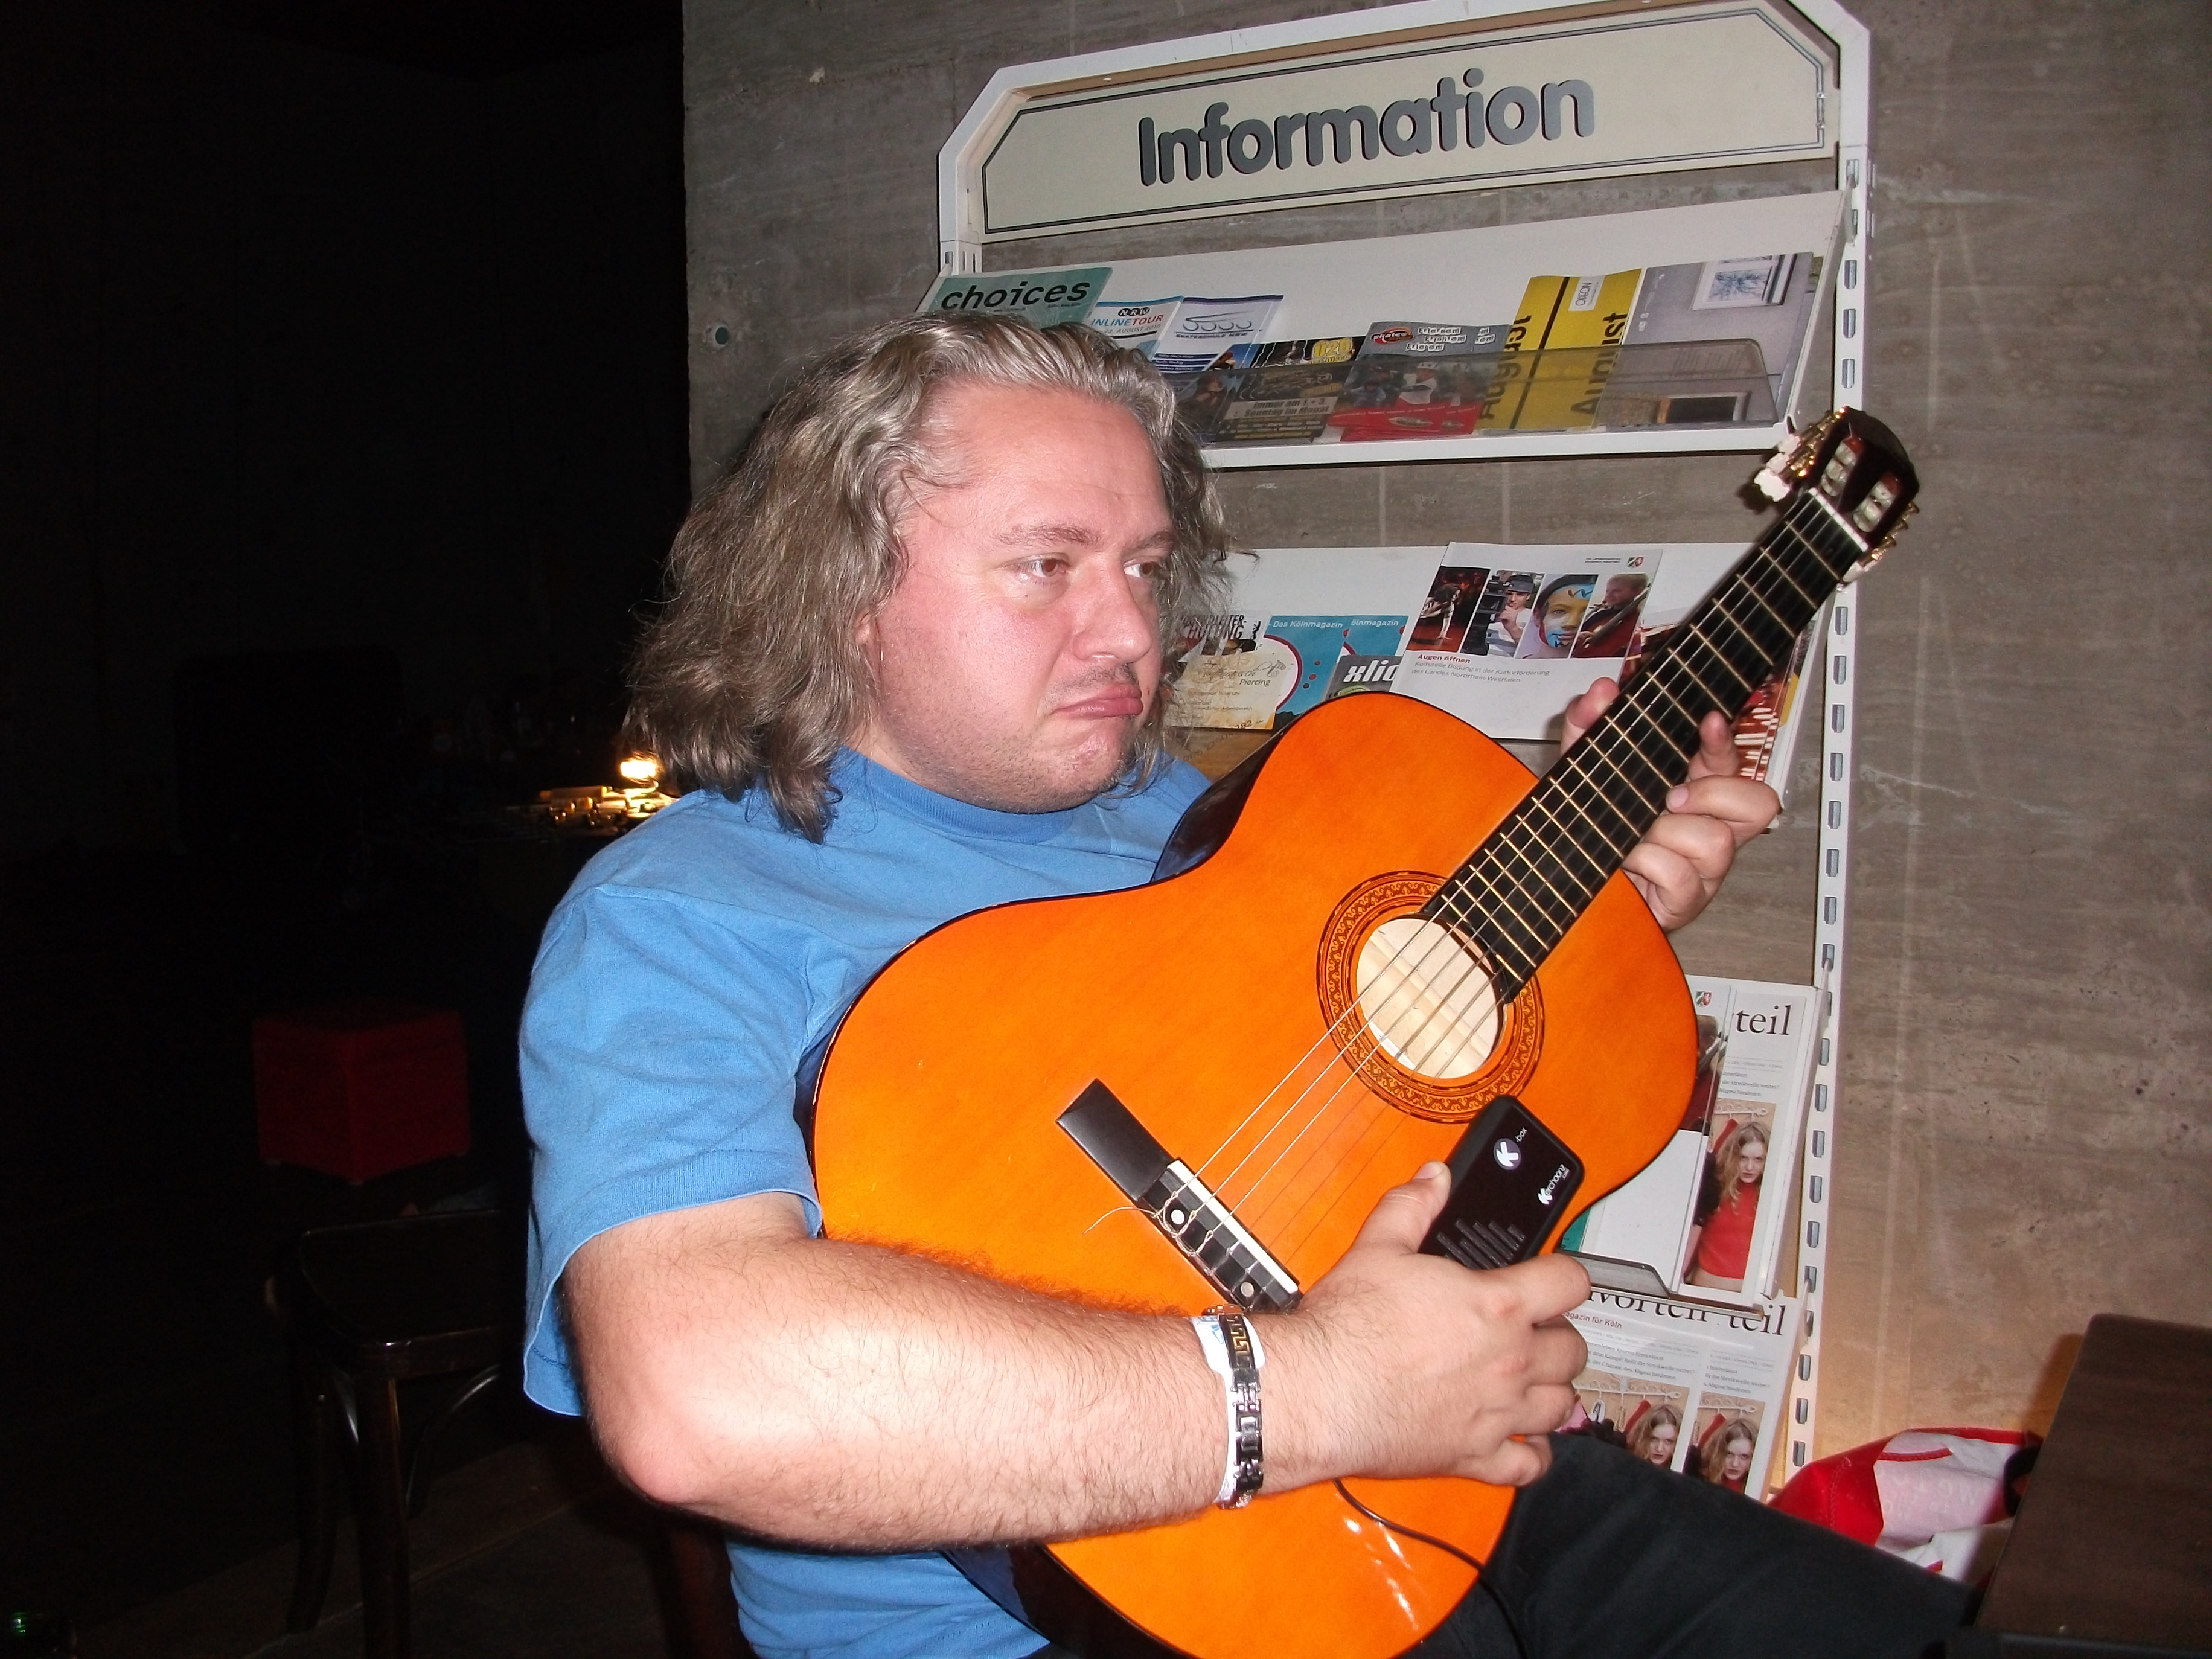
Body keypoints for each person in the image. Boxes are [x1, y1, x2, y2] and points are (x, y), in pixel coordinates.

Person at [520, 315, 1968, 1659]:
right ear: (838, 590)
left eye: (1144, 569)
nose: (1128, 635)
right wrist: (1318, 1387)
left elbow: (1360, 1153)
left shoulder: (1199, 818)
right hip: (1076, 1614)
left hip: (1455, 1489)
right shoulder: (681, 917)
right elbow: (701, 1403)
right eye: (1047, 565)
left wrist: (1604, 917)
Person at [1686, 1122, 1770, 1292]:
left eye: (1758, 1160)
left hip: (1747, 1295)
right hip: (1703, 1290)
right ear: (1733, 1156)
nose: (1749, 1167)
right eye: (1743, 1158)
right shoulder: (1714, 1186)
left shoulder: (1770, 1195)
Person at [1699, 1418, 1761, 1494]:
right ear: (1717, 1453)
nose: (1735, 1464)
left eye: (1744, 1457)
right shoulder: (1701, 1482)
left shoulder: (1759, 1491)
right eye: (1729, 1454)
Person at [1624, 1403, 1681, 1471]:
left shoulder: (1686, 1473)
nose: (1659, 1449)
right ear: (1643, 1438)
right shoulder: (1627, 1467)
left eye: (1668, 1441)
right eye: (1653, 1439)